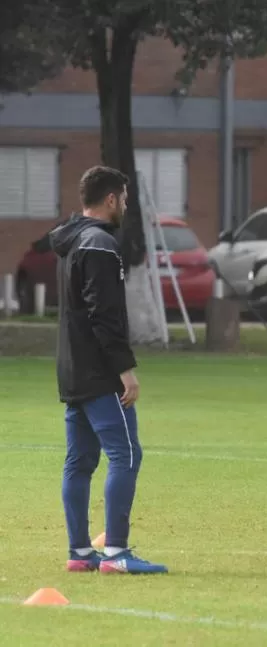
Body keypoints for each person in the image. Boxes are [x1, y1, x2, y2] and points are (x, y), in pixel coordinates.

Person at [50, 165, 167, 575]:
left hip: (71, 368)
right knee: (126, 453)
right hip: (99, 372)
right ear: (112, 198)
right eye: (126, 199)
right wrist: (125, 370)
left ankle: (80, 553)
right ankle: (116, 552)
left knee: (79, 461)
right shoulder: (99, 244)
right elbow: (104, 316)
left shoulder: (71, 240)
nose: (127, 207)